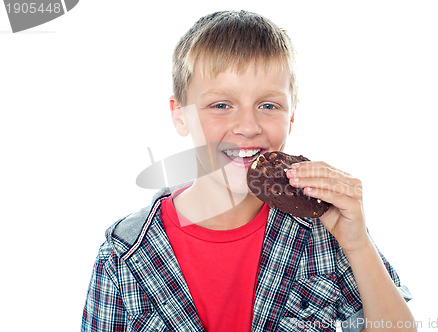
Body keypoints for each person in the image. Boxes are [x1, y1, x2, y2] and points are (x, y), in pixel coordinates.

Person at [81, 10, 415, 332]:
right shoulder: (122, 257)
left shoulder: (322, 229)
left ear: (292, 115)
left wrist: (356, 244)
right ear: (181, 116)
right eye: (221, 105)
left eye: (268, 105)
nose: (248, 126)